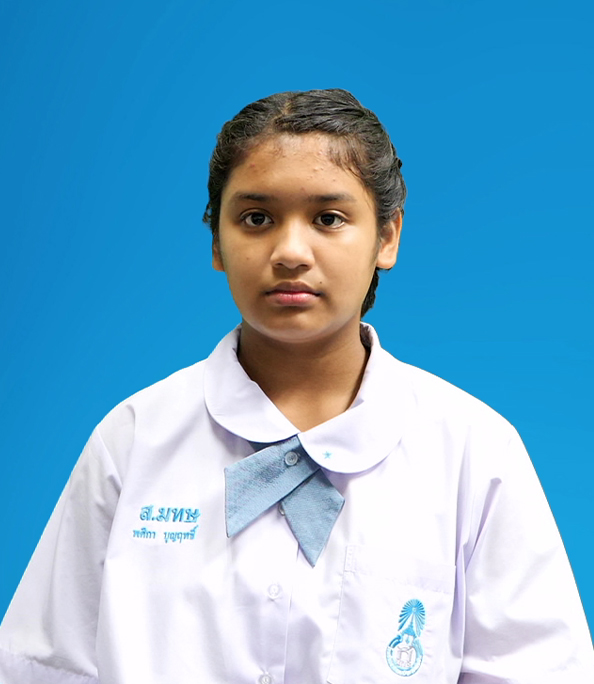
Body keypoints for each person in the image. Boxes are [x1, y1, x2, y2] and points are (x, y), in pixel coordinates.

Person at [0, 88, 592, 684]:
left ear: (387, 237)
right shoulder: (133, 441)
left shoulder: (474, 451)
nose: (289, 252)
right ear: (216, 241)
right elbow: (44, 667)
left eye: (328, 218)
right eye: (256, 219)